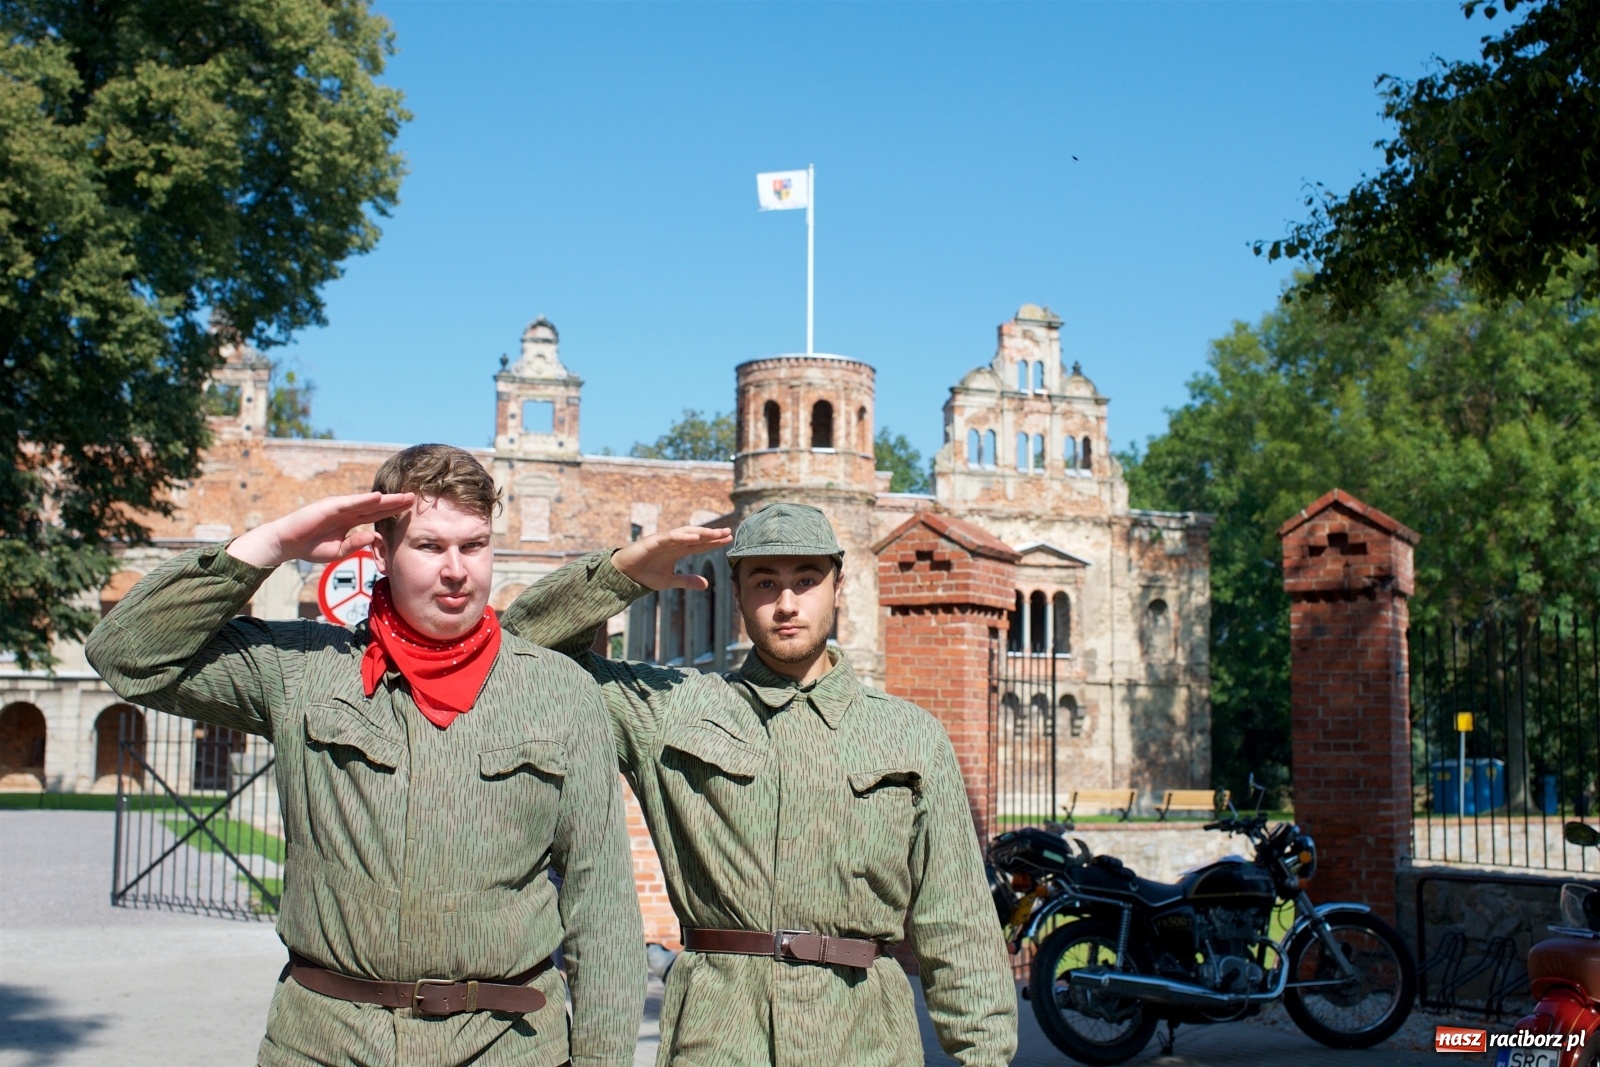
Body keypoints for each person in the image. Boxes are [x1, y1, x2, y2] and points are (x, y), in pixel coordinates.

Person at [86, 444, 644, 1067]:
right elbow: (127, 654)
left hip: (506, 1044)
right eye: (430, 547)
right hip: (326, 1039)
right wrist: (272, 544)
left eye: (474, 545)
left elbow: (602, 908)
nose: (456, 570)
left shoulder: (558, 690)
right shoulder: (300, 669)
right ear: (380, 553)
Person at [501, 502, 1017, 1067]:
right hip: (718, 1034)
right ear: (739, 593)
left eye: (806, 580)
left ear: (838, 587)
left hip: (866, 1037)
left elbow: (957, 921)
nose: (787, 603)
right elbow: (525, 645)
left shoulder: (908, 735)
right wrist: (623, 573)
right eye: (765, 582)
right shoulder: (675, 711)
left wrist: (983, 1054)